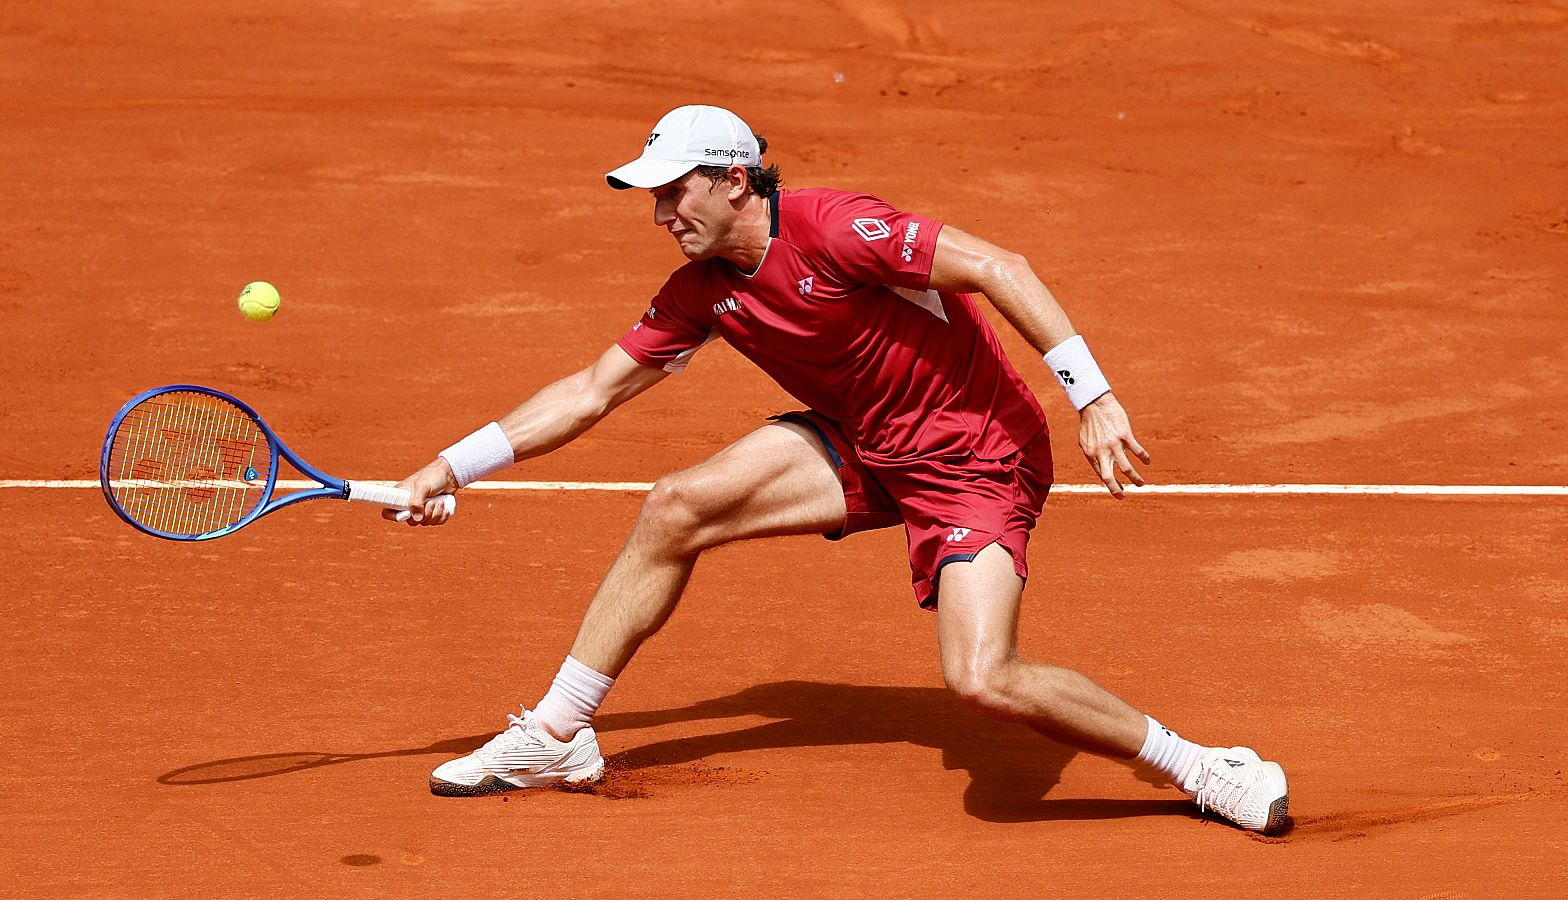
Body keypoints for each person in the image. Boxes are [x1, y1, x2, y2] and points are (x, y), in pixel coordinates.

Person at [386, 105, 1290, 833]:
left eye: (674, 193)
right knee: (675, 509)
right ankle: (556, 733)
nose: (662, 216)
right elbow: (589, 393)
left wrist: (1091, 396)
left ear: (733, 180)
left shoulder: (837, 228)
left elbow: (1000, 266)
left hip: (978, 456)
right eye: (653, 199)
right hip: (863, 442)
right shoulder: (703, 290)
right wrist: (447, 468)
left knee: (983, 678)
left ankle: (1201, 767)